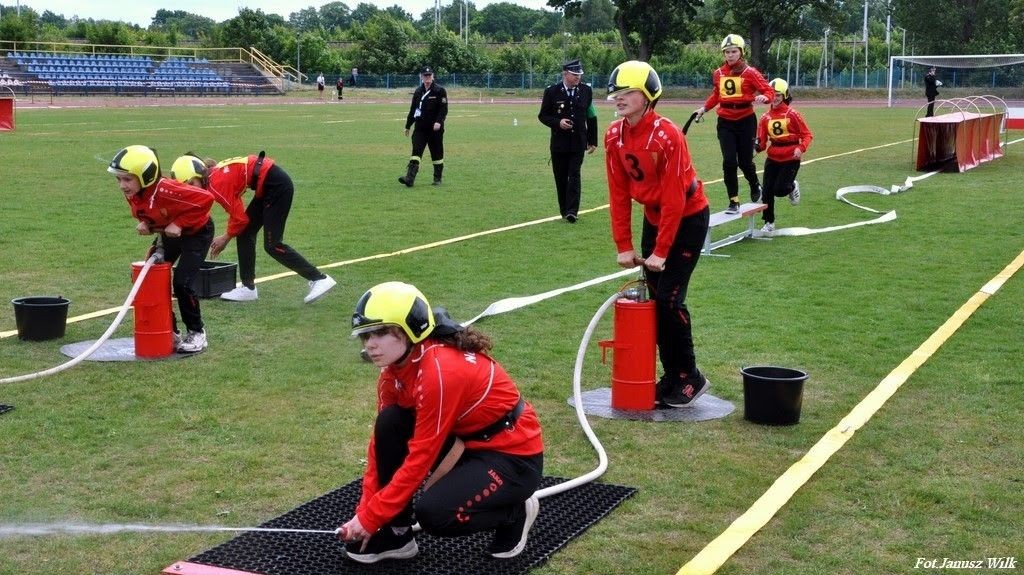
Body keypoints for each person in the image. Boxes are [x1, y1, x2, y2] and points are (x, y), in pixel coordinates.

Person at [340, 281, 544, 563]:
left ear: (410, 329)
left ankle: (516, 513)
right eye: (365, 336)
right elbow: (379, 447)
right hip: (465, 444)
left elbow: (421, 457)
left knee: (435, 514)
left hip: (512, 457)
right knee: (390, 423)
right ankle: (396, 534)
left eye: (380, 332)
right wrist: (366, 513)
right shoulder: (394, 371)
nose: (370, 344)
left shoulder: (440, 371)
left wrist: (371, 516)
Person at [605, 61, 711, 408]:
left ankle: (690, 376)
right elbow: (618, 192)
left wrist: (662, 251)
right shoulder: (613, 135)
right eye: (617, 92)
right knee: (654, 300)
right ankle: (673, 375)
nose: (619, 98)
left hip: (687, 219)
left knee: (669, 300)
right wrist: (624, 244)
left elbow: (674, 197)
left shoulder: (667, 136)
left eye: (629, 92)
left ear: (648, 95)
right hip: (655, 218)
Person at [168, 152, 336, 304]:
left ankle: (319, 278)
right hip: (268, 186)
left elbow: (239, 218)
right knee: (245, 233)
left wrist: (225, 238)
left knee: (273, 245)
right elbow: (240, 216)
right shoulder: (212, 177)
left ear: (199, 176)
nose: (191, 190)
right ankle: (248, 288)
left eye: (191, 184)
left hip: (276, 186)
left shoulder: (215, 186)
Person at [108, 145, 215, 353]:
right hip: (168, 233)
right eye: (119, 179)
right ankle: (170, 331)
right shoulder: (134, 193)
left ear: (146, 175)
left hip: (197, 232)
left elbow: (206, 200)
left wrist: (180, 223)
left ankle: (197, 333)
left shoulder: (166, 189)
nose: (122, 185)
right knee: (151, 277)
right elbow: (150, 211)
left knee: (182, 283)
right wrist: (147, 223)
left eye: (127, 179)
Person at [694, 34, 774, 214]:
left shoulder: (750, 73)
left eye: (734, 51)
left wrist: (765, 97)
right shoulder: (718, 73)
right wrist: (703, 109)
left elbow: (768, 90)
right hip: (725, 123)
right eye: (727, 52)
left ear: (741, 52)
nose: (730, 55)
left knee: (745, 162)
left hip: (746, 121)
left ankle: (755, 185)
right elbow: (716, 95)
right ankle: (733, 201)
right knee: (729, 162)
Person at [537, 59, 599, 223]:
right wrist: (558, 123)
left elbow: (591, 116)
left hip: (579, 142)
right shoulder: (551, 92)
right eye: (574, 74)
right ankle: (564, 210)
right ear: (565, 74)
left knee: (574, 174)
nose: (578, 77)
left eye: (579, 74)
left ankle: (572, 211)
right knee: (561, 177)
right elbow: (543, 116)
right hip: (559, 144)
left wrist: (593, 140)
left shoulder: (586, 91)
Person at [754, 78, 813, 237]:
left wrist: (801, 148)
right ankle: (769, 222)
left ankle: (792, 186)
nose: (775, 97)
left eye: (779, 94)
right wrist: (755, 147)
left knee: (779, 190)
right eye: (773, 94)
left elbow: (807, 135)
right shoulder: (765, 118)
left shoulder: (793, 114)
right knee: (766, 192)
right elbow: (762, 143)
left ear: (785, 95)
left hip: (790, 158)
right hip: (772, 158)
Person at [398, 66, 448, 187]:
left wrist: (439, 122)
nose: (427, 77)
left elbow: (443, 109)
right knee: (416, 151)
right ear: (421, 77)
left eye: (429, 75)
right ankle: (410, 179)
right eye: (425, 76)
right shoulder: (418, 91)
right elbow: (413, 109)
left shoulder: (440, 90)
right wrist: (408, 125)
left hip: (434, 129)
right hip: (420, 128)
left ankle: (437, 178)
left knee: (436, 153)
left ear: (433, 76)